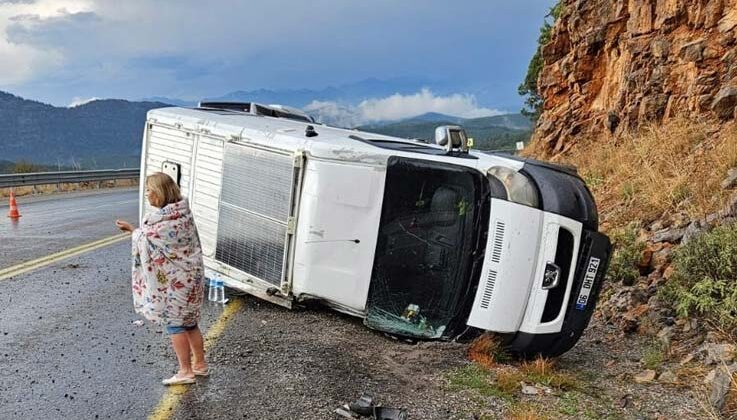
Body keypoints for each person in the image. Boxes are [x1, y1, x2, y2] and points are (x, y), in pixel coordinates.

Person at [115, 172, 207, 385]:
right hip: (192, 276)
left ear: (159, 193)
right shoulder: (184, 213)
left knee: (175, 324)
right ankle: (200, 365)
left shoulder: (163, 219)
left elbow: (147, 239)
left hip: (177, 281)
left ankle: (185, 371)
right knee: (190, 322)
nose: (147, 195)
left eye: (149, 190)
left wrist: (131, 230)